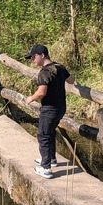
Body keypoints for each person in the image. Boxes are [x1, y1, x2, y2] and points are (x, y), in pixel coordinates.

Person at [23, 44, 74, 178]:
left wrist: (30, 99)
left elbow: (41, 92)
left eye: (34, 57)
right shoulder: (60, 67)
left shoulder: (44, 72)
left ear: (42, 55)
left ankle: (46, 168)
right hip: (61, 108)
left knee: (43, 135)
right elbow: (71, 80)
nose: (32, 60)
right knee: (50, 132)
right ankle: (51, 159)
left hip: (49, 109)